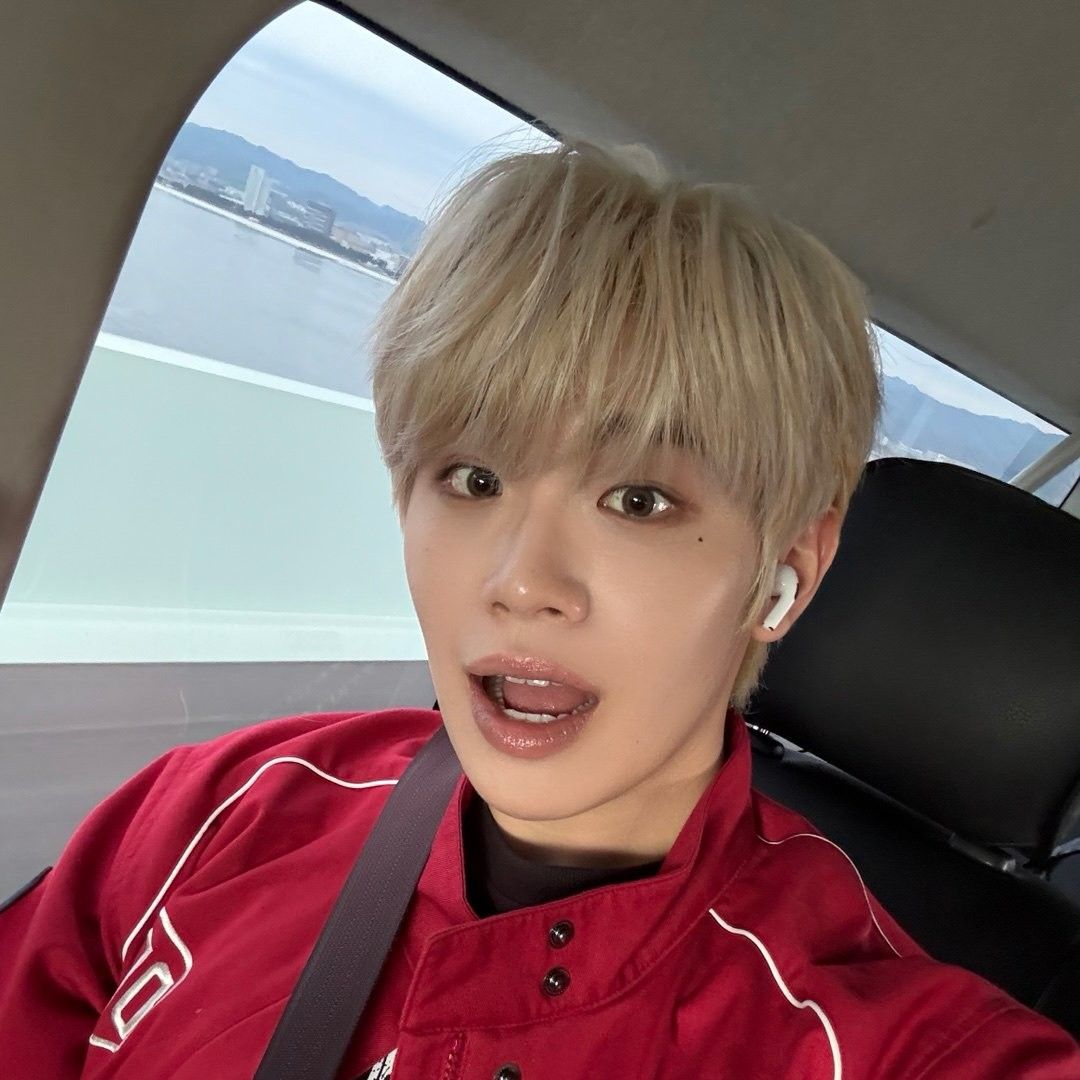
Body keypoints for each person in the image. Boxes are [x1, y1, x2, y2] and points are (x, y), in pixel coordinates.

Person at [1, 141, 1077, 1079]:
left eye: (639, 500)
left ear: (784, 570)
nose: (520, 581)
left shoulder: (883, 1045)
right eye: (472, 478)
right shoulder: (213, 815)